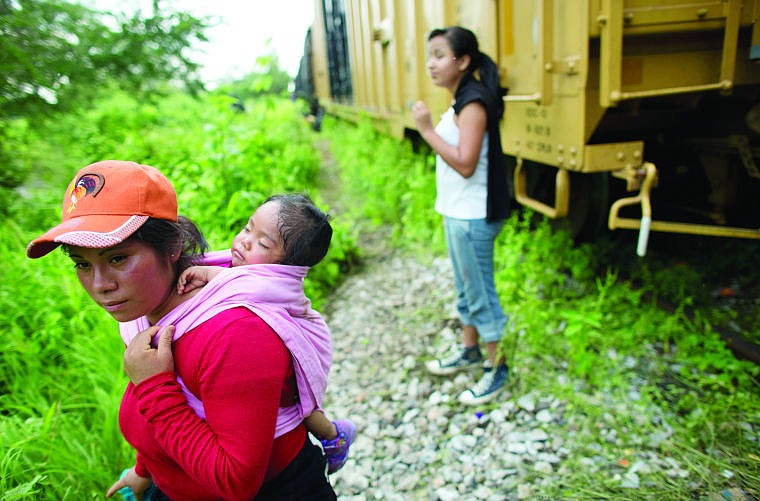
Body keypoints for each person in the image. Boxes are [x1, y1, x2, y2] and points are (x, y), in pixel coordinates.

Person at [26, 160, 338, 500]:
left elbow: (237, 482)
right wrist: (145, 471)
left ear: (172, 247)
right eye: (82, 264)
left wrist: (152, 386)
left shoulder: (235, 333)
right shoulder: (148, 311)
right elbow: (188, 407)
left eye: (117, 259)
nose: (99, 285)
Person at [173, 193, 355, 475]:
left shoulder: (279, 282)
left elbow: (254, 289)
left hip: (301, 342)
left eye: (263, 242)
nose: (245, 241)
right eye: (248, 228)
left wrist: (212, 276)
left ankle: (335, 437)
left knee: (305, 408)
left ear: (285, 265)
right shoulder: (238, 268)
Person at [411, 26, 511, 405]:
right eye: (429, 55)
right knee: (466, 288)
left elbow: (466, 164)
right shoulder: (461, 99)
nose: (431, 64)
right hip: (457, 212)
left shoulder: (473, 103)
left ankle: (496, 368)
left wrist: (425, 129)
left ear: (463, 61)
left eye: (439, 55)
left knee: (480, 291)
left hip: (473, 215)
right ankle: (470, 351)